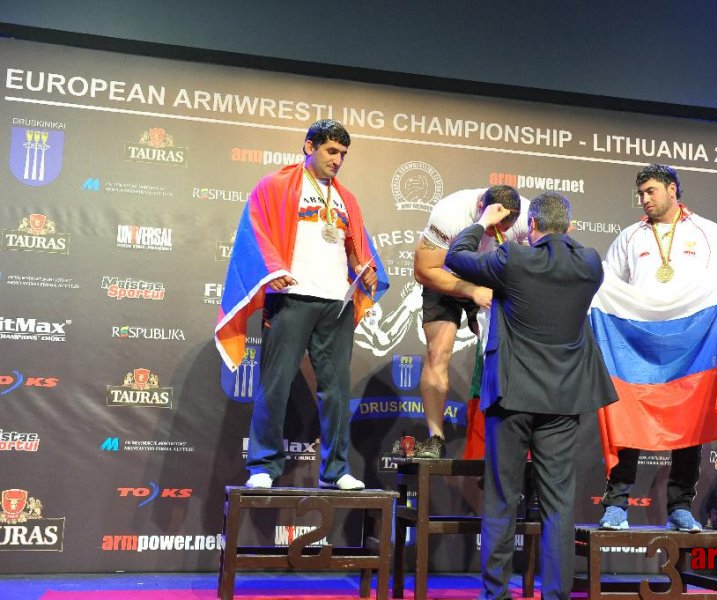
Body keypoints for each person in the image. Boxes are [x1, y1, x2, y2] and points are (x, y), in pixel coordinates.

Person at [445, 191, 618, 600]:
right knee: (558, 506)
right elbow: (566, 245)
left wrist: (485, 223)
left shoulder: (515, 259)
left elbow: (457, 256)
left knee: (503, 500)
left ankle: (496, 595)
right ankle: (556, 595)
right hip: (562, 400)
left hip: (512, 397)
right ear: (571, 228)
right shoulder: (590, 264)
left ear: (532, 227)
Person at [215, 119, 387, 490]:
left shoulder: (346, 198)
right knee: (274, 385)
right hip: (292, 296)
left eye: (343, 154)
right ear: (310, 147)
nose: (338, 160)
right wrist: (269, 270)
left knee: (336, 390)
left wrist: (365, 270)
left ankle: (337, 470)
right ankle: (263, 465)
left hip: (335, 302)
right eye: (331, 151)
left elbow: (355, 250)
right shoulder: (276, 185)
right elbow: (255, 230)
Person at [598, 164, 717, 532]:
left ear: (673, 189)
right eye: (641, 193)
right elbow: (609, 283)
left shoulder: (706, 231)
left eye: (651, 191)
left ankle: (680, 506)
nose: (644, 199)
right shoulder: (629, 236)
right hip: (638, 345)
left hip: (691, 343)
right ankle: (616, 505)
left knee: (689, 423)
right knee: (628, 420)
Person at [413, 186, 529, 458]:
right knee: (438, 351)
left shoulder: (524, 216)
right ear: (481, 208)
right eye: (492, 227)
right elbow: (422, 270)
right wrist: (471, 291)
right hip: (444, 277)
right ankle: (436, 438)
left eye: (504, 228)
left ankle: (504, 435)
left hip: (488, 274)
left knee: (502, 353)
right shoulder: (449, 212)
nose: (497, 234)